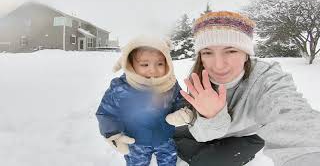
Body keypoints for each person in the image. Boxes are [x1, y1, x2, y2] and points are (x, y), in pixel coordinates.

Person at [165, 11, 320, 166]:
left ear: (246, 54)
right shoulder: (200, 77)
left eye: (231, 50)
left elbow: (291, 118)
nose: (218, 65)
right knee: (169, 133)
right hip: (214, 133)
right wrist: (210, 117)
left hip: (246, 136)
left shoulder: (267, 79)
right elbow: (203, 134)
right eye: (208, 52)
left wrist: (308, 155)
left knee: (206, 161)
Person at [96, 35, 186, 166]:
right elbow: (106, 112)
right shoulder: (121, 88)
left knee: (169, 161)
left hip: (165, 138)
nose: (153, 70)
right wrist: (114, 135)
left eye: (160, 63)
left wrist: (182, 112)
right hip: (136, 142)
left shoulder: (170, 84)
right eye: (145, 64)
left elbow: (181, 101)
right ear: (130, 64)